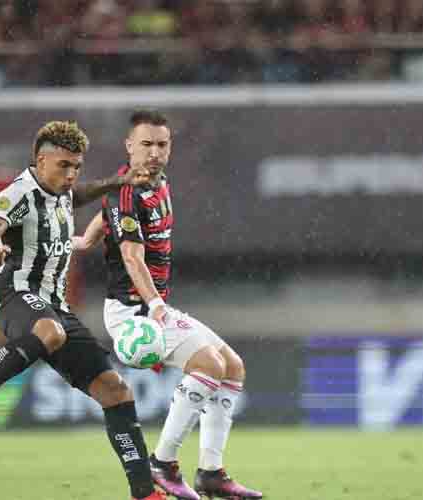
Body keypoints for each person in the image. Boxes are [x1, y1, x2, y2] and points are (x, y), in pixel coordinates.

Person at [0, 120, 166, 500]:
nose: (71, 174)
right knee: (50, 331)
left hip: (56, 306)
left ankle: (145, 493)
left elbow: (79, 194)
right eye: (64, 165)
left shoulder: (61, 190)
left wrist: (119, 182)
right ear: (39, 160)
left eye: (76, 166)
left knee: (116, 391)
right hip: (17, 295)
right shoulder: (17, 194)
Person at [74, 110, 263, 500]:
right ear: (130, 146)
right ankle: (162, 463)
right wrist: (157, 306)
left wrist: (86, 240)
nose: (155, 152)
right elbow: (131, 257)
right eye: (146, 144)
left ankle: (211, 472)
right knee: (209, 365)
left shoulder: (158, 183)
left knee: (233, 367)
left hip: (153, 306)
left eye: (162, 144)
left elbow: (103, 214)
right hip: (132, 312)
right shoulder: (124, 192)